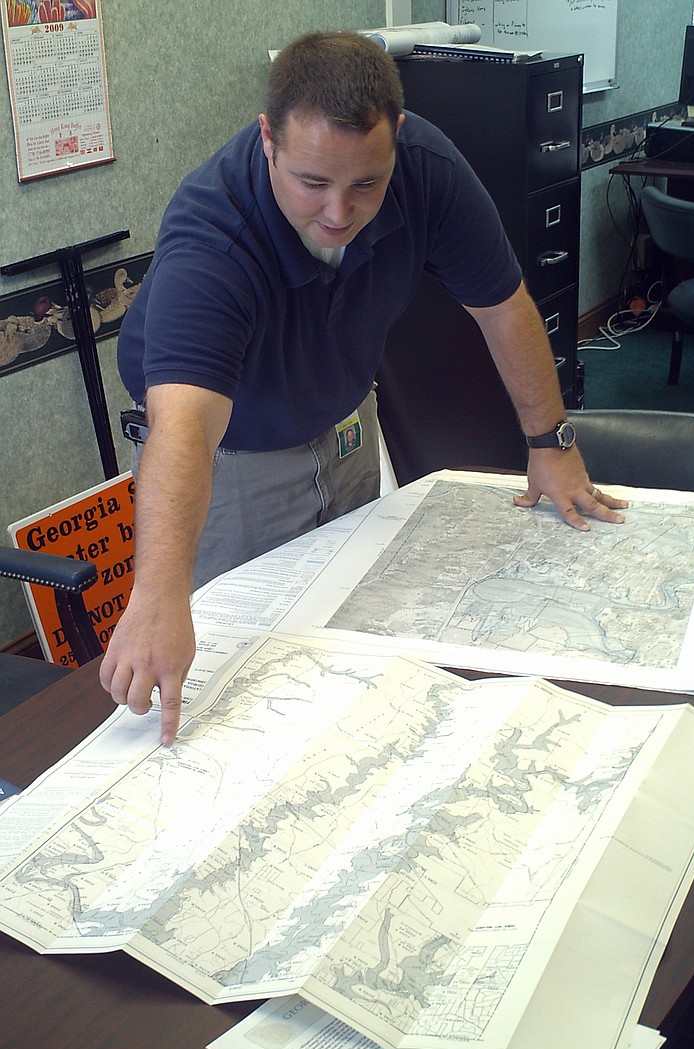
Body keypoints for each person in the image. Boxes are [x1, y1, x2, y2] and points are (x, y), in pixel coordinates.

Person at [100, 30, 626, 744]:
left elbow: (504, 308)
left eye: (365, 183)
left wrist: (552, 444)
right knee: (242, 675)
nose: (339, 212)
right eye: (312, 182)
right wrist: (159, 594)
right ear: (268, 141)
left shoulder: (426, 167)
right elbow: (184, 426)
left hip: (345, 420)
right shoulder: (213, 237)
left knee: (350, 627)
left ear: (397, 140)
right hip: (231, 462)